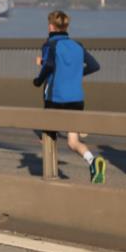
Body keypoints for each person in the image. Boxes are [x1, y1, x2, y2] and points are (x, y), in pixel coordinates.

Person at [33, 10, 106, 184]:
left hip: (55, 98)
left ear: (51, 26)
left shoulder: (49, 45)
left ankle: (51, 175)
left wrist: (38, 80)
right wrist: (77, 73)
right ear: (66, 26)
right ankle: (92, 161)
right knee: (73, 141)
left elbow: (50, 65)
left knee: (48, 136)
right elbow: (95, 65)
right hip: (76, 99)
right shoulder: (78, 45)